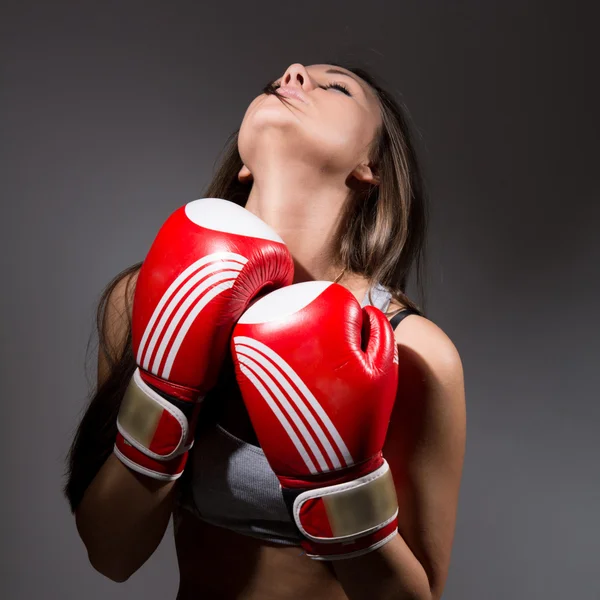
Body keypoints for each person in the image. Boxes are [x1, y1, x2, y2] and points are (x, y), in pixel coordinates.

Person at [64, 62, 466, 600]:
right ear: (244, 166)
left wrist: (339, 490)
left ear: (370, 166)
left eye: (336, 86)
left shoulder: (408, 352)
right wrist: (162, 399)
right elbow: (111, 555)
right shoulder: (144, 300)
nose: (293, 73)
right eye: (281, 78)